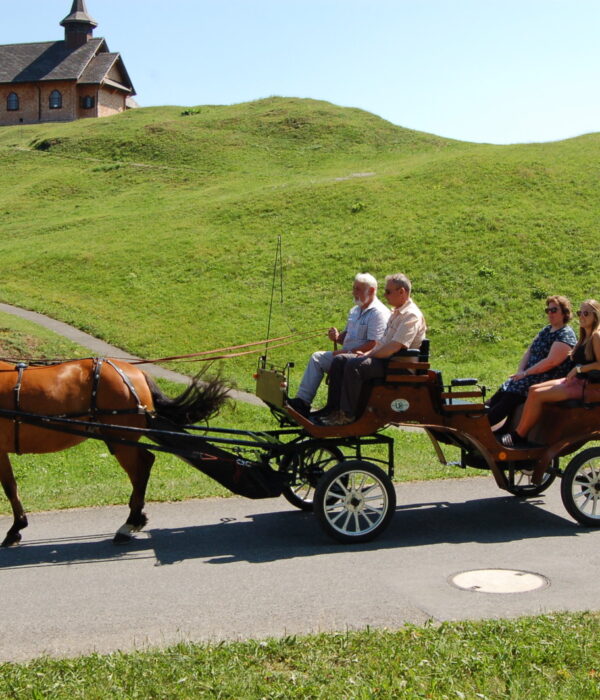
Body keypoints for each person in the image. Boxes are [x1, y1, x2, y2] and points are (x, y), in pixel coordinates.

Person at [320, 273, 426, 425]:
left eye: (388, 292)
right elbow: (382, 342)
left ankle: (347, 415)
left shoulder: (411, 315)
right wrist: (366, 354)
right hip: (387, 361)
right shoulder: (396, 312)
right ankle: (333, 410)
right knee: (340, 360)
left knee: (354, 365)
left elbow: (394, 347)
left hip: (399, 366)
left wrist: (367, 356)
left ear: (402, 292)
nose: (384, 295)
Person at [286, 273, 390, 416]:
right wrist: (336, 338)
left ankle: (334, 410)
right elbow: (347, 336)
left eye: (358, 289)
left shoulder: (378, 313)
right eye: (354, 288)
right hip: (346, 355)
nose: (354, 292)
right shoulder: (354, 310)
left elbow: (375, 343)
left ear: (371, 291)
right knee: (317, 358)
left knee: (337, 360)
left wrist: (347, 352)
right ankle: (302, 402)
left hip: (362, 358)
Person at [501, 299, 600, 448]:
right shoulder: (584, 336)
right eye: (580, 313)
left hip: (586, 386)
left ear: (596, 316)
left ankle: (519, 435)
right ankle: (522, 433)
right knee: (533, 389)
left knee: (538, 394)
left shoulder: (596, 336)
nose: (582, 316)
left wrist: (579, 369)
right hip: (574, 381)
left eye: (586, 313)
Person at [487, 295, 577, 430]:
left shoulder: (566, 335)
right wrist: (520, 371)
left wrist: (525, 374)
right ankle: (478, 418)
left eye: (554, 310)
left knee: (510, 396)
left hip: (545, 378)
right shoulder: (546, 330)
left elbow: (551, 362)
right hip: (529, 375)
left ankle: (484, 425)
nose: (550, 313)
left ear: (564, 313)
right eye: (548, 310)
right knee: (502, 391)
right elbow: (529, 351)